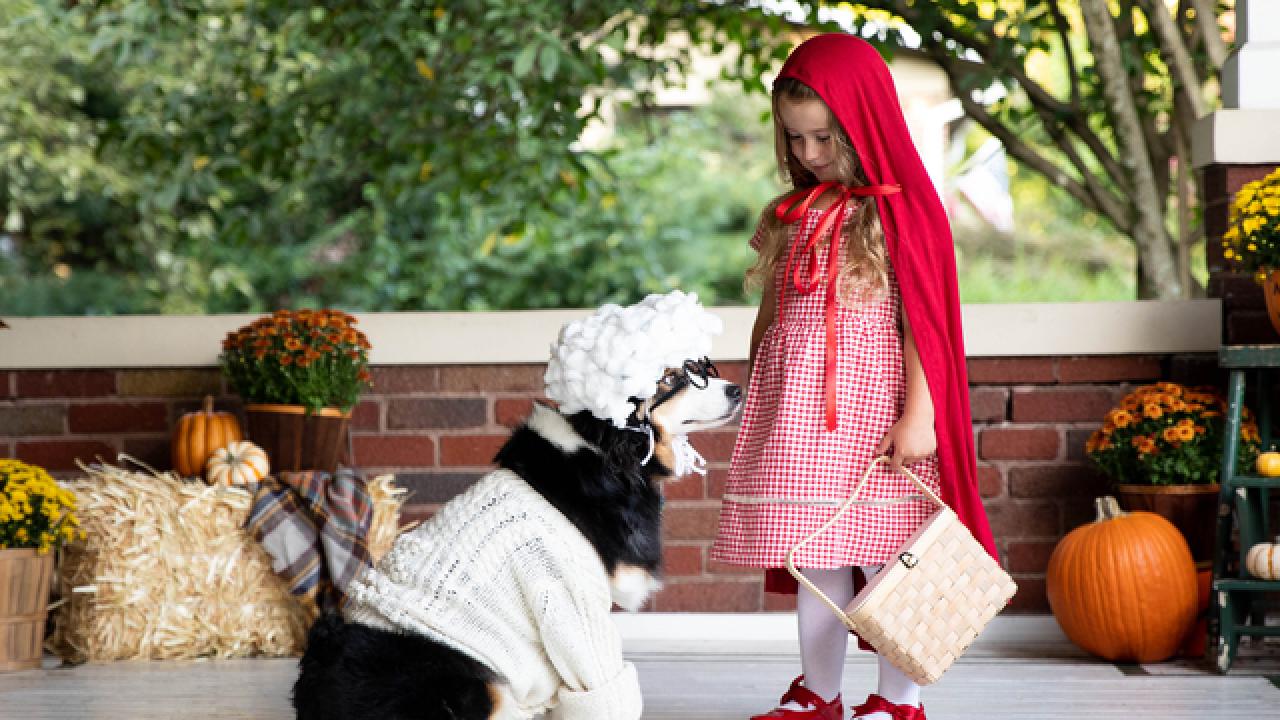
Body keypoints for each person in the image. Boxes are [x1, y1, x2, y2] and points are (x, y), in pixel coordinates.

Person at [709, 33, 998, 720]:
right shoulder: (791, 214)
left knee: (890, 553)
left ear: (864, 125)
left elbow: (922, 327)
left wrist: (920, 415)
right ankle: (820, 692)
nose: (808, 155)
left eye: (823, 139)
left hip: (876, 415)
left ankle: (899, 700)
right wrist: (760, 389)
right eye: (795, 140)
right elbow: (772, 312)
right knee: (818, 552)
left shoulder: (902, 212)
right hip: (802, 419)